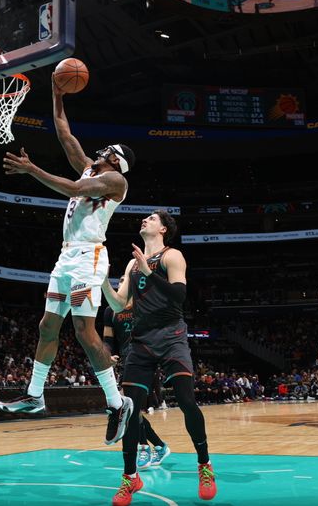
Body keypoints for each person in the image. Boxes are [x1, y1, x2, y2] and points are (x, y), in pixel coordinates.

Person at [0, 76, 137, 446]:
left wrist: (32, 170)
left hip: (89, 259)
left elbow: (74, 189)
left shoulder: (115, 182)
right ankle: (35, 395)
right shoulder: (92, 168)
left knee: (83, 331)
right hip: (66, 257)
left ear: (116, 160)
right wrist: (57, 95)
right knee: (47, 325)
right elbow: (64, 133)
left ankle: (117, 402)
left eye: (108, 150)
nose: (101, 150)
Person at [102, 210, 215, 505]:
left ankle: (204, 465)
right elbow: (118, 302)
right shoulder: (132, 263)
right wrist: (102, 281)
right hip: (141, 343)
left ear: (163, 229)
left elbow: (179, 295)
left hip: (172, 337)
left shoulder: (172, 256)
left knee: (187, 402)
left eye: (152, 218)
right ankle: (130, 477)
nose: (145, 220)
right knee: (130, 411)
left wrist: (149, 271)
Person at [103, 277, 170, 471]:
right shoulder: (111, 311)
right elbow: (108, 338)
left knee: (130, 408)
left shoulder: (146, 307)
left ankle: (144, 447)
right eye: (121, 280)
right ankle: (158, 445)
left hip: (146, 361)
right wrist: (108, 353)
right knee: (130, 409)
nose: (124, 282)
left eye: (128, 280)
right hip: (127, 363)